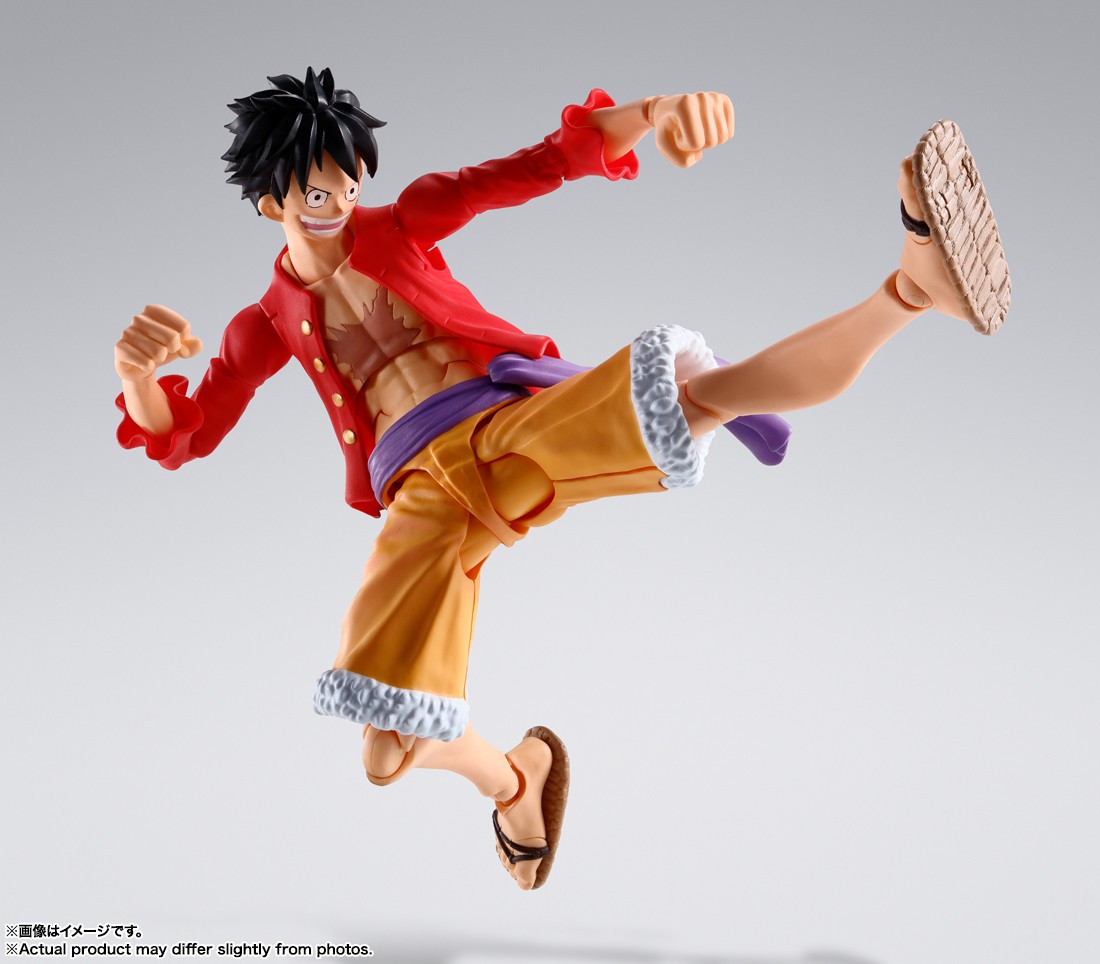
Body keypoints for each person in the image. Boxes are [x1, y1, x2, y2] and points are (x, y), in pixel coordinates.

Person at [114, 67, 1010, 890]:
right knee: (386, 749)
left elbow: (536, 166)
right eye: (318, 194)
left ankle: (909, 287)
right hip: (418, 495)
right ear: (271, 201)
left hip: (503, 425)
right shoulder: (264, 325)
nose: (341, 205)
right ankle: (515, 781)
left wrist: (653, 112)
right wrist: (140, 381)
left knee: (698, 397)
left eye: (349, 184)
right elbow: (190, 433)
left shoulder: (405, 222)